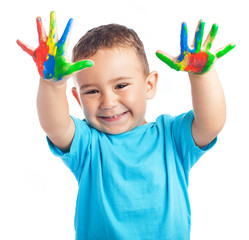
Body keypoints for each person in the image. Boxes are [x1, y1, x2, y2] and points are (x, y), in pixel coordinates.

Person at [17, 11, 235, 240]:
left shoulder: (171, 137)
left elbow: (211, 124)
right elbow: (54, 125)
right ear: (77, 98)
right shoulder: (88, 144)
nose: (108, 102)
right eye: (92, 91)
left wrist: (202, 76)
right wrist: (51, 84)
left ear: (149, 85)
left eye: (121, 86)